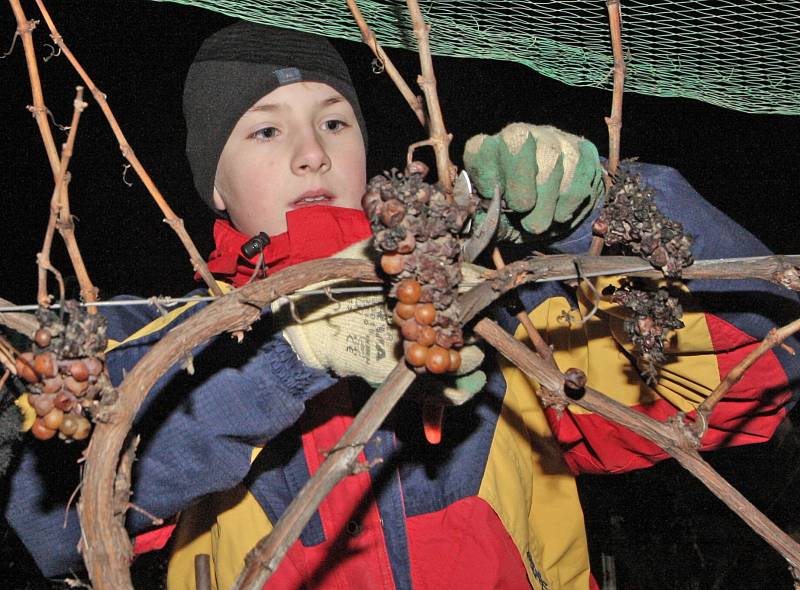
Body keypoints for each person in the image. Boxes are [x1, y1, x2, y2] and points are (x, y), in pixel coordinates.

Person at [5, 20, 799, 590]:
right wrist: (286, 360)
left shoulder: (485, 308)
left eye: (334, 121)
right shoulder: (158, 347)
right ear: (212, 186)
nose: (312, 151)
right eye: (264, 132)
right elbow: (46, 517)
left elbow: (749, 378)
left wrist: (610, 212)